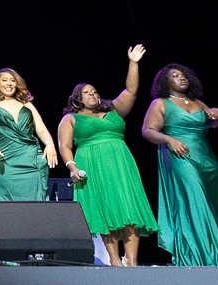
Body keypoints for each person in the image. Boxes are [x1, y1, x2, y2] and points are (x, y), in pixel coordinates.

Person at [57, 44, 158, 267]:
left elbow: (130, 91)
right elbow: (64, 145)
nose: (93, 94)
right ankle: (114, 260)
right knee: (104, 209)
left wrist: (133, 62)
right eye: (86, 92)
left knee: (128, 205)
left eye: (94, 91)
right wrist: (72, 167)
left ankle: (131, 260)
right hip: (91, 164)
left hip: (120, 162)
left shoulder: (112, 109)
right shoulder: (71, 119)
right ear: (77, 99)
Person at [141, 62, 218, 266]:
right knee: (195, 203)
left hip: (208, 161)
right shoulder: (160, 103)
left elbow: (212, 123)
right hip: (181, 158)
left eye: (183, 74)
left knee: (214, 208)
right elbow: (148, 131)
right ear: (165, 82)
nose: (182, 77)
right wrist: (170, 140)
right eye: (175, 75)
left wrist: (216, 114)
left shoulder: (198, 102)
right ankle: (201, 256)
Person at [0, 67, 58, 200]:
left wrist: (50, 144)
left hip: (32, 158)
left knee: (37, 201)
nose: (9, 83)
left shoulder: (27, 104)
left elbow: (41, 128)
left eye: (12, 80)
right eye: (4, 80)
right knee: (7, 204)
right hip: (4, 159)